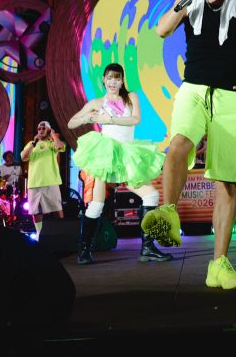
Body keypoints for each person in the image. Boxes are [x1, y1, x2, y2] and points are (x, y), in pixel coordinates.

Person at [143, 0, 236, 290]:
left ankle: (219, 265)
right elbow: (162, 29)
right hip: (194, 89)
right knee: (178, 144)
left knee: (226, 181)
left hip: (230, 94)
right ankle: (168, 214)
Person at [67, 62, 170, 264]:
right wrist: (88, 118)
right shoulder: (98, 102)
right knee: (97, 204)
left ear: (122, 81)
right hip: (105, 154)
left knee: (151, 195)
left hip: (126, 154)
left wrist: (110, 119)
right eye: (109, 78)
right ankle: (84, 251)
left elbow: (135, 120)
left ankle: (147, 248)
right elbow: (71, 122)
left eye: (117, 78)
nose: (113, 82)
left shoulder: (131, 97)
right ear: (103, 80)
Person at [21, 121, 67, 235]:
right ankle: (39, 233)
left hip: (50, 181)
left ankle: (61, 233)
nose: (41, 130)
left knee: (57, 208)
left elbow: (60, 146)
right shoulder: (32, 144)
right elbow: (23, 157)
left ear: (49, 130)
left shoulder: (52, 143)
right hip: (34, 182)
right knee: (36, 211)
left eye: (43, 128)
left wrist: (53, 135)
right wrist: (33, 143)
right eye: (39, 129)